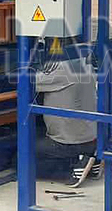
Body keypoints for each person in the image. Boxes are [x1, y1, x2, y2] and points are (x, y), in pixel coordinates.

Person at [35, 56, 101, 185]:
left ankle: (71, 170)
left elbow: (27, 82)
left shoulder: (61, 69)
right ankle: (91, 162)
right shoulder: (85, 64)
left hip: (70, 142)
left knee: (20, 159)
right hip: (92, 137)